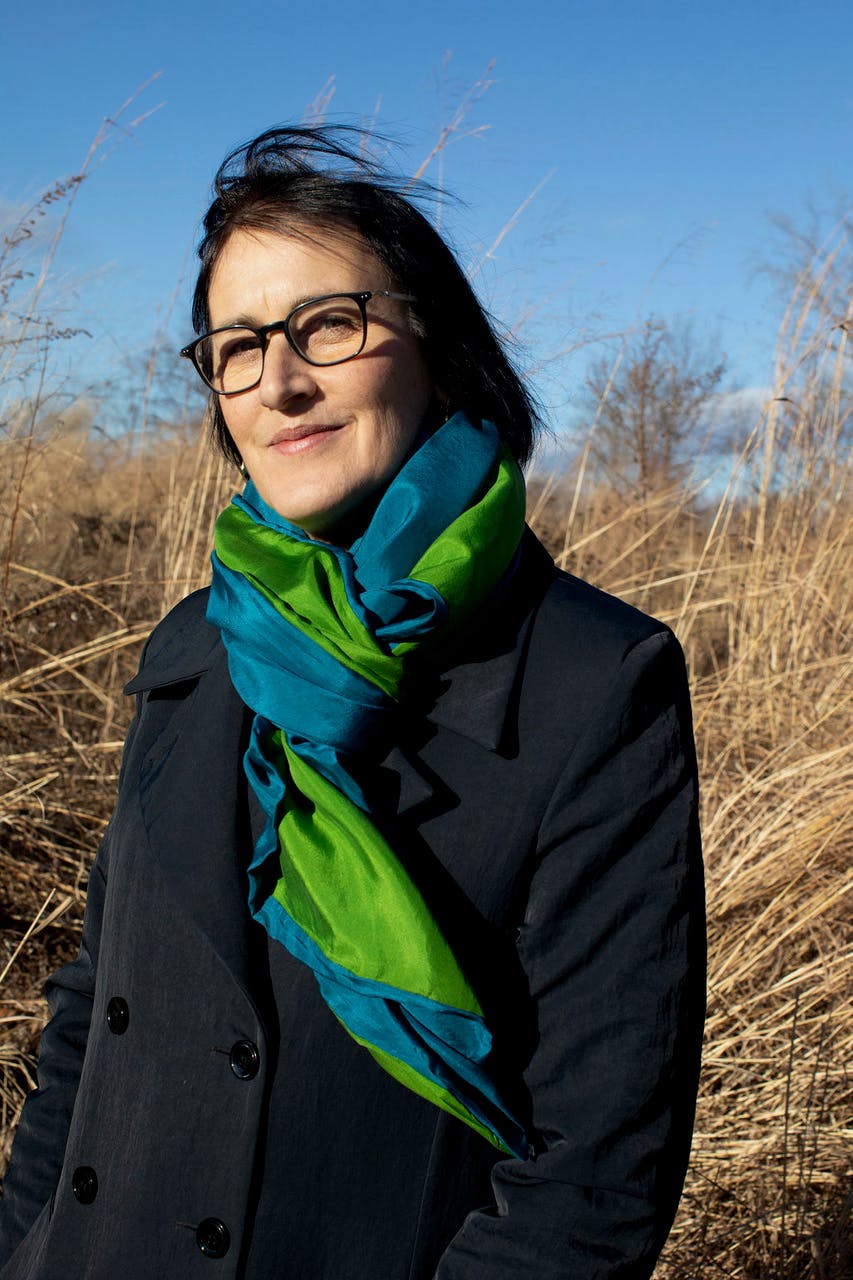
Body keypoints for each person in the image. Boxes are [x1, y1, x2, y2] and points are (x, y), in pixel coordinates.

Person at [0, 125, 705, 1280]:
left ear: (435, 339)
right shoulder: (194, 642)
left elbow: (591, 1176)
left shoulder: (593, 678)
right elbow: (93, 1019)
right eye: (236, 346)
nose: (278, 381)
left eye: (328, 323)